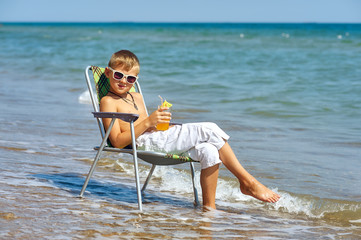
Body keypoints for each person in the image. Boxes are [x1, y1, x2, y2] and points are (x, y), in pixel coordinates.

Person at [100, 50, 280, 209]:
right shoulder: (108, 101)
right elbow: (116, 142)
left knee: (209, 151)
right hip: (141, 144)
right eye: (118, 75)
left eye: (130, 78)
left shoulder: (136, 96)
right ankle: (247, 182)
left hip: (156, 138)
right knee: (210, 128)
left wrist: (157, 123)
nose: (124, 81)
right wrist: (147, 123)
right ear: (108, 73)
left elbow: (147, 124)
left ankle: (209, 208)